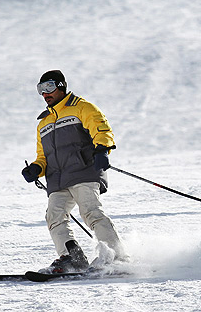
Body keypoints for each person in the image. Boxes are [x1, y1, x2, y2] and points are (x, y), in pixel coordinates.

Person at [22, 70, 128, 273]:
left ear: (61, 86)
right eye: (40, 89)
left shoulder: (81, 107)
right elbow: (43, 156)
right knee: (54, 216)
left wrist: (102, 149)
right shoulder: (43, 123)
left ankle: (118, 257)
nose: (45, 93)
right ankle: (71, 257)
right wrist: (36, 168)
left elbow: (102, 130)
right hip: (57, 180)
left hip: (83, 171)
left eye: (49, 87)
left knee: (91, 212)